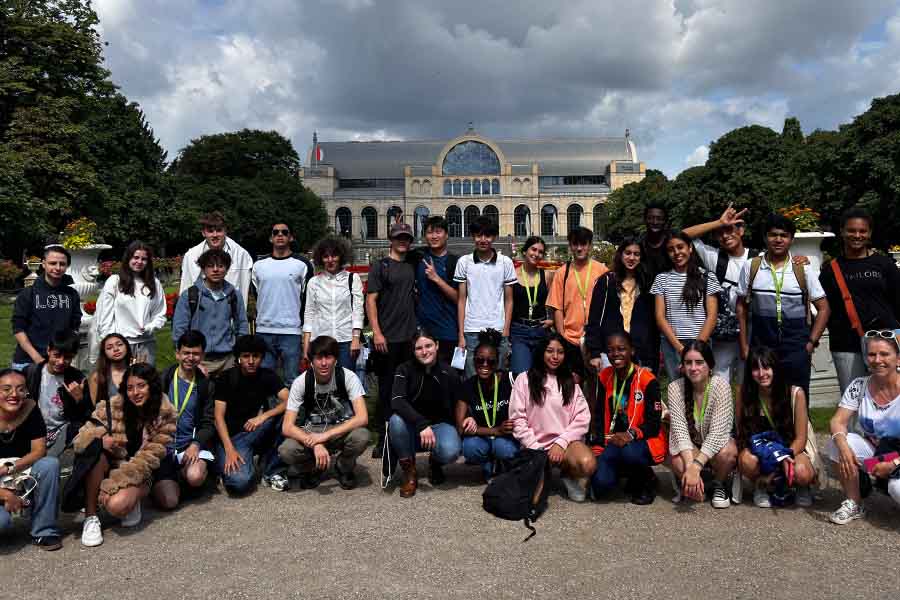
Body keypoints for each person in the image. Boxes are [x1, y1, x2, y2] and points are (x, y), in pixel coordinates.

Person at [74, 363, 177, 547]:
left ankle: (134, 497)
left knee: (117, 505)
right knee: (96, 450)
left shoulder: (164, 414)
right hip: (110, 466)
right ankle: (91, 517)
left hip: (143, 471)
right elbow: (80, 440)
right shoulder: (111, 407)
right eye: (130, 388)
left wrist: (110, 487)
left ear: (152, 386)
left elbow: (146, 462)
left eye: (141, 386)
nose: (135, 392)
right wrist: (101, 438)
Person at [737, 213, 831, 395]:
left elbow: (824, 308)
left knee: (798, 398)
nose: (778, 240)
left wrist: (811, 343)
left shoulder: (802, 268)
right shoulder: (751, 266)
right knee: (763, 399)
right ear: (765, 237)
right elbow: (741, 306)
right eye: (773, 235)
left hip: (796, 346)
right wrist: (744, 346)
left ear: (791, 239)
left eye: (784, 235)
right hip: (761, 345)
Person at [819, 207, 900, 393]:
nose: (857, 235)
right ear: (842, 231)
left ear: (869, 233)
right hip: (847, 345)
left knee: (891, 399)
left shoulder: (884, 264)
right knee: (853, 400)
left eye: (862, 231)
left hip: (886, 343)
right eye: (851, 230)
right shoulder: (831, 270)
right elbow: (824, 307)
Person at [509, 333, 595, 502]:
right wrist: (536, 448)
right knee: (533, 500)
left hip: (565, 446)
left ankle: (569, 475)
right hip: (534, 446)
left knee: (588, 463)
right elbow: (518, 420)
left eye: (560, 352)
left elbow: (582, 418)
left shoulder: (569, 381)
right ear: (541, 352)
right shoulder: (524, 379)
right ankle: (540, 473)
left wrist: (561, 443)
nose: (555, 357)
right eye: (550, 351)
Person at [827, 331, 900, 525]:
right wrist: (843, 448)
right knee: (838, 441)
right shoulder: (859, 385)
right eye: (872, 354)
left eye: (885, 354)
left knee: (897, 489)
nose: (877, 360)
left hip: (897, 457)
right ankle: (855, 502)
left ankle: (885, 484)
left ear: (898, 357)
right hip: (879, 454)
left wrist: (893, 464)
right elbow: (837, 421)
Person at [280, 335, 370, 490]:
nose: (323, 363)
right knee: (286, 450)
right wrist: (315, 444)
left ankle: (343, 466)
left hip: (339, 428)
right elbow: (287, 427)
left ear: (335, 359)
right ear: (311, 360)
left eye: (328, 357)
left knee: (362, 436)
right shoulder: (301, 382)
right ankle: (313, 468)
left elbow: (363, 417)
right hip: (311, 431)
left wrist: (325, 436)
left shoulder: (348, 376)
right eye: (318, 358)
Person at [590, 331, 665, 505]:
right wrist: (598, 447)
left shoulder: (647, 379)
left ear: (632, 350)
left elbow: (654, 424)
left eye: (621, 349)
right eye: (611, 350)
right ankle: (624, 474)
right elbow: (599, 416)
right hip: (612, 440)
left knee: (629, 452)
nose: (616, 354)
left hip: (640, 440)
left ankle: (646, 479)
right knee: (600, 485)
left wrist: (631, 434)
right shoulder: (604, 377)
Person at [737, 346, 817, 508]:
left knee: (802, 472)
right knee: (746, 460)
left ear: (775, 368)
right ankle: (761, 486)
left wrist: (782, 457)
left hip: (792, 448)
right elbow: (741, 432)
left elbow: (801, 438)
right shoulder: (744, 394)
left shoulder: (796, 394)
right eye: (755, 369)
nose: (761, 374)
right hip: (761, 449)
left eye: (766, 367)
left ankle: (801, 486)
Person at [683, 205, 756, 382]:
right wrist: (718, 222)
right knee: (719, 382)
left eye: (729, 229)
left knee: (749, 383)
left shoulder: (758, 258)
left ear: (741, 231)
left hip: (753, 331)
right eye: (720, 232)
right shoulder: (715, 257)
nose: (725, 235)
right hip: (725, 335)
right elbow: (682, 236)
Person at [389, 329, 462, 498]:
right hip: (412, 425)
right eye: (419, 348)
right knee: (395, 421)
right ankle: (410, 473)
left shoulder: (449, 372)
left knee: (451, 450)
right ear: (413, 351)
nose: (424, 351)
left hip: (439, 424)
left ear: (437, 345)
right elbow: (397, 400)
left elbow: (460, 402)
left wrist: (469, 417)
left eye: (428, 346)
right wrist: (421, 423)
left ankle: (435, 462)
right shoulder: (403, 369)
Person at [213, 335, 289, 494]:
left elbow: (290, 401)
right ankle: (223, 467)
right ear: (239, 357)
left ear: (262, 357)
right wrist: (229, 450)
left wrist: (264, 416)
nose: (251, 361)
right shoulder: (226, 378)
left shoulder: (267, 375)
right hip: (231, 439)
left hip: (254, 430)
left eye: (256, 356)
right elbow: (218, 417)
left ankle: (271, 470)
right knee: (239, 484)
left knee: (287, 418)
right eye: (246, 356)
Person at [367, 221, 418, 457]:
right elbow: (371, 301)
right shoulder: (380, 266)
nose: (403, 241)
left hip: (409, 338)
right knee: (386, 390)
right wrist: (377, 332)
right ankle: (384, 439)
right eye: (399, 237)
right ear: (391, 239)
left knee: (405, 389)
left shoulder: (412, 264)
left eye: (407, 238)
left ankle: (404, 435)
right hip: (386, 338)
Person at [667, 340, 738, 508]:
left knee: (728, 451)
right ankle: (698, 486)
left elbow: (717, 435)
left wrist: (695, 466)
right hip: (691, 446)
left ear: (710, 365)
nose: (693, 368)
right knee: (676, 460)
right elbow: (680, 433)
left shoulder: (721, 386)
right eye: (688, 363)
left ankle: (719, 484)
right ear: (682, 367)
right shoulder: (674, 388)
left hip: (715, 447)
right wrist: (691, 465)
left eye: (699, 362)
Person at [0, 369, 63, 551]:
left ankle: (44, 530)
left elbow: (39, 451)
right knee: (1, 524)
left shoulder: (30, 409)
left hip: (19, 471)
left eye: (21, 389)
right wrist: (6, 495)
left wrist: (8, 468)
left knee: (49, 464)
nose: (14, 394)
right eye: (6, 389)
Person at [154, 331, 216, 509]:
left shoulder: (206, 385)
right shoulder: (163, 378)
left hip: (189, 446)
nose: (190, 357)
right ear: (177, 354)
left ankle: (189, 477)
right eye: (186, 353)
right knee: (169, 502)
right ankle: (167, 482)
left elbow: (208, 423)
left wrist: (196, 444)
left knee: (195, 476)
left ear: (202, 355)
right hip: (165, 448)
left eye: (195, 353)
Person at [651, 231, 721, 380]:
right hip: (672, 345)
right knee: (677, 389)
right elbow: (660, 317)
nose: (676, 252)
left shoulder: (708, 277)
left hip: (701, 342)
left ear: (690, 248)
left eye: (680, 247)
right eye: (671, 249)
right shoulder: (661, 279)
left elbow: (712, 317)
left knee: (702, 389)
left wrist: (695, 349)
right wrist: (681, 349)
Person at [252, 222, 313, 387]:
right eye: (276, 232)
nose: (280, 235)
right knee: (265, 380)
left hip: (291, 331)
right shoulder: (258, 266)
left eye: (284, 232)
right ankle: (271, 413)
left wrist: (305, 329)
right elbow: (257, 294)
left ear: (291, 237)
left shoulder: (302, 265)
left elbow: (307, 299)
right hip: (264, 330)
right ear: (271, 237)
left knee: (292, 381)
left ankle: (292, 413)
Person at [586, 237, 659, 374]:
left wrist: (650, 359)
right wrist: (595, 353)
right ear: (621, 254)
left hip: (638, 353)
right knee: (611, 394)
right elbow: (595, 319)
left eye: (636, 254)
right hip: (610, 351)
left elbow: (651, 326)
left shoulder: (647, 284)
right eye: (628, 253)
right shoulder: (606, 282)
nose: (631, 258)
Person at [455, 216, 516, 377]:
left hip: (498, 328)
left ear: (494, 237)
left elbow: (509, 300)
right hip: (472, 329)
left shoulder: (505, 262)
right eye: (478, 235)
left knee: (497, 376)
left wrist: (506, 331)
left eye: (487, 235)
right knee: (472, 377)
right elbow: (461, 300)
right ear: (473, 236)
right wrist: (461, 334)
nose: (483, 240)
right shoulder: (464, 262)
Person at [172, 248, 249, 376]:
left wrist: (240, 354)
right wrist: (187, 357)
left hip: (227, 360)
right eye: (210, 266)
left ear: (227, 268)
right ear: (203, 269)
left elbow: (242, 325)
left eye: (220, 266)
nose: (215, 270)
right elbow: (179, 329)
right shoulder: (190, 295)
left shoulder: (234, 295)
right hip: (198, 359)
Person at [545, 226, 608, 380]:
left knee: (597, 384)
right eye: (575, 244)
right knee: (573, 383)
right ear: (570, 246)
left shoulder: (602, 270)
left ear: (590, 245)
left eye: (583, 244)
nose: (579, 248)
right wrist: (562, 337)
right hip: (571, 338)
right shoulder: (562, 272)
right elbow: (557, 307)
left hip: (596, 338)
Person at [456, 329, 519, 481]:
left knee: (505, 449)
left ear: (497, 363)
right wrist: (495, 430)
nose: (485, 365)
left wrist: (513, 426)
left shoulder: (511, 380)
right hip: (483, 436)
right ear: (473, 361)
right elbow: (460, 427)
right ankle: (487, 464)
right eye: (479, 360)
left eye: (490, 361)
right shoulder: (467, 386)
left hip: (505, 438)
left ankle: (503, 464)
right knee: (469, 448)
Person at [95, 241, 167, 365]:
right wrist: (112, 344)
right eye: (136, 257)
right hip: (122, 345)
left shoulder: (154, 283)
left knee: (144, 381)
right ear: (128, 258)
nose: (139, 262)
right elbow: (105, 317)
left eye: (144, 259)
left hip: (146, 344)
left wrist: (150, 327)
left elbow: (159, 313)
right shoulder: (114, 282)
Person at [11, 245, 81, 370]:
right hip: (28, 361)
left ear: (67, 266)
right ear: (43, 264)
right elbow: (18, 329)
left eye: (62, 264)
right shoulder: (28, 294)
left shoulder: (72, 294)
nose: (57, 268)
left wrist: (65, 356)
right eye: (53, 263)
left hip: (58, 361)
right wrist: (38, 359)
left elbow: (74, 326)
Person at [23, 330, 90, 459]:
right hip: (33, 433)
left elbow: (84, 417)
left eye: (67, 358)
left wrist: (80, 400)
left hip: (61, 434)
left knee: (50, 464)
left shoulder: (77, 379)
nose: (60, 361)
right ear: (48, 350)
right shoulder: (32, 373)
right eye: (57, 355)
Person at [303, 235, 364, 372]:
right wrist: (306, 345)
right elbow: (309, 313)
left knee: (345, 382)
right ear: (321, 259)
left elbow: (358, 311)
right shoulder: (314, 283)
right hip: (320, 341)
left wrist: (356, 338)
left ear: (341, 256)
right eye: (326, 256)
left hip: (345, 340)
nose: (330, 260)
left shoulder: (352, 279)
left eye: (334, 255)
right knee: (322, 382)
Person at [179, 211, 253, 307]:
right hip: (202, 314)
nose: (215, 235)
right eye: (210, 231)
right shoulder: (191, 256)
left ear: (225, 231)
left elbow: (243, 288)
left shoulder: (241, 255)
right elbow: (186, 287)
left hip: (230, 312)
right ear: (203, 233)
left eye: (219, 230)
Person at [415, 216, 460, 366]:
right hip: (423, 333)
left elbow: (459, 298)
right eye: (429, 232)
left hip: (448, 331)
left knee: (448, 378)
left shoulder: (455, 262)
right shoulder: (417, 257)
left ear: (446, 235)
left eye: (438, 232)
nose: (434, 236)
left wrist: (436, 279)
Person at [509, 236, 554, 375]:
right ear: (525, 251)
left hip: (540, 330)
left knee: (541, 375)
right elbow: (508, 303)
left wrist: (552, 320)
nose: (536, 254)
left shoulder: (546, 276)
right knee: (521, 375)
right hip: (519, 331)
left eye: (540, 252)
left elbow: (553, 302)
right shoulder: (513, 275)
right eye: (533, 249)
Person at [88, 333, 132, 407]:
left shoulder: (136, 371)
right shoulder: (98, 377)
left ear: (127, 347)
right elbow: (92, 407)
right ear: (104, 353)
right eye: (109, 348)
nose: (116, 349)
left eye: (119, 344)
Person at [639, 202, 671, 281]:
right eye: (650, 218)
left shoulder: (674, 242)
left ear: (665, 221)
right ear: (645, 220)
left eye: (659, 219)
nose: (655, 222)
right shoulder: (638, 244)